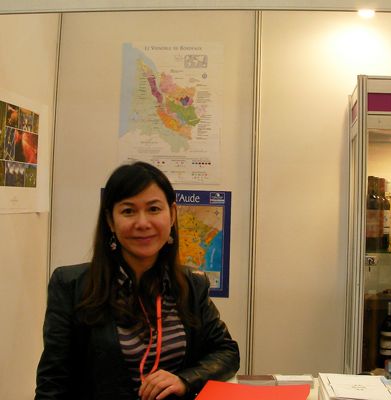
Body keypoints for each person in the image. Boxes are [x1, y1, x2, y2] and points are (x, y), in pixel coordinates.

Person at [35, 161, 239, 400]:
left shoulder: (192, 285)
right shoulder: (71, 285)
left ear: (172, 214)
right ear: (110, 220)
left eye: (154, 209)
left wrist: (185, 380)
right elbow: (52, 384)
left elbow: (226, 351)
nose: (143, 223)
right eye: (128, 211)